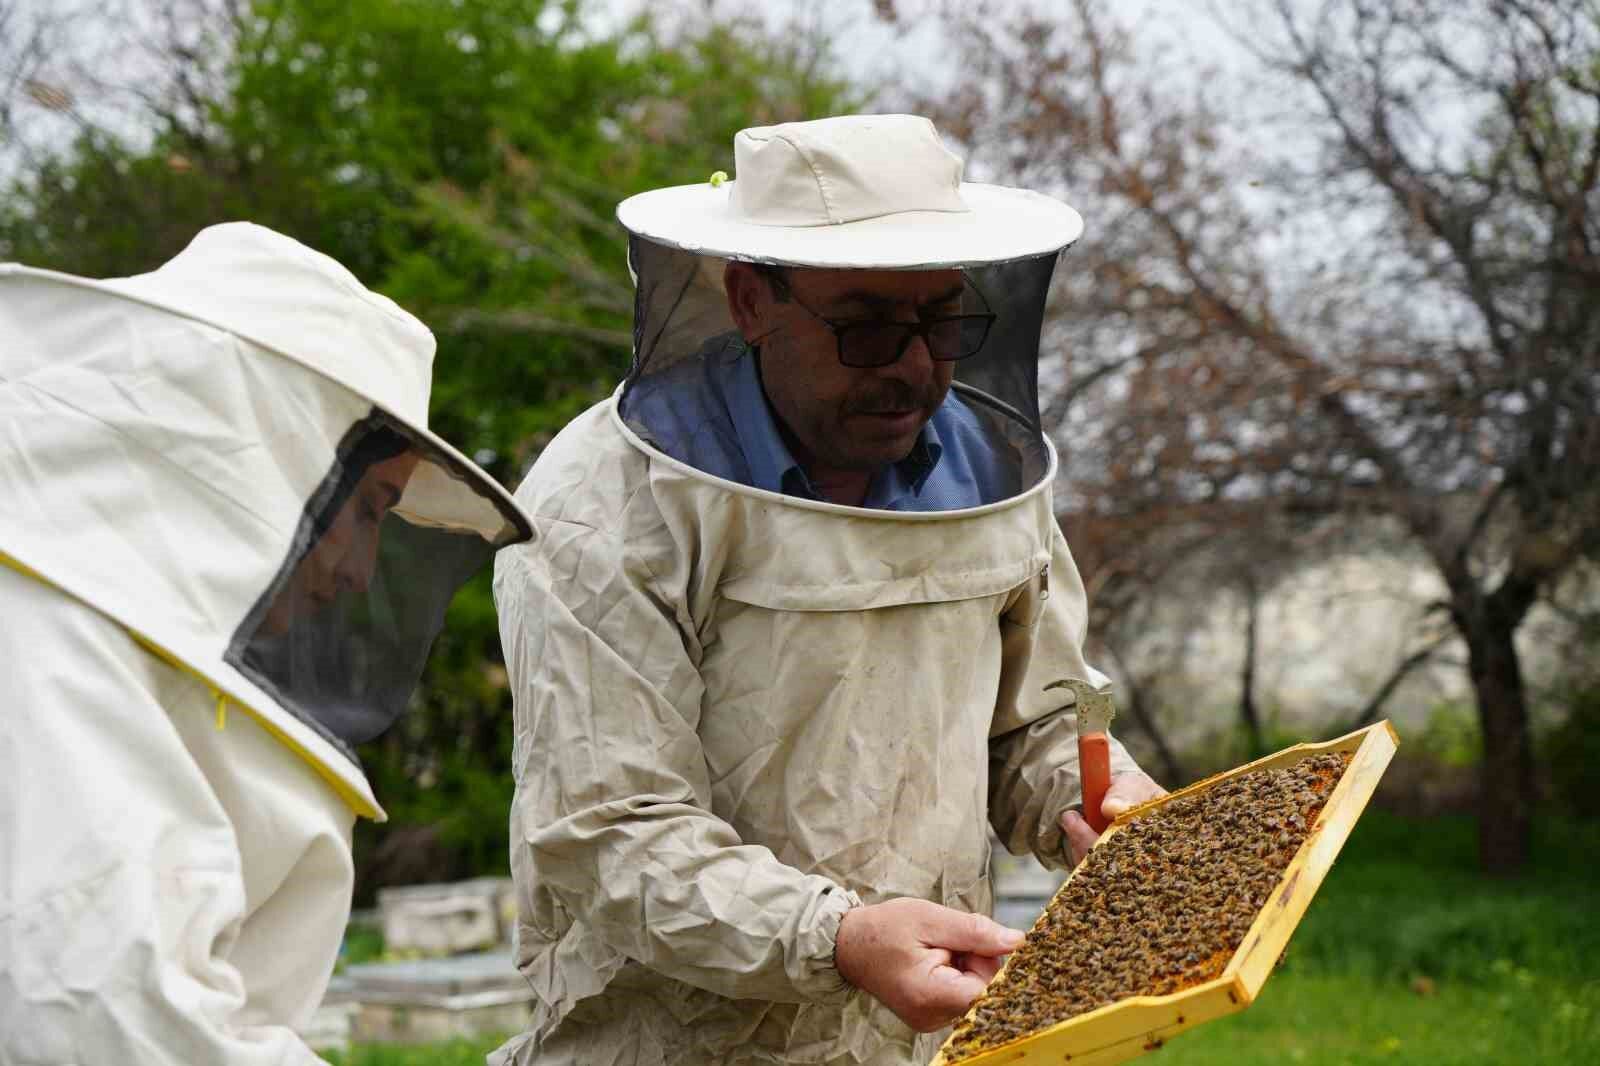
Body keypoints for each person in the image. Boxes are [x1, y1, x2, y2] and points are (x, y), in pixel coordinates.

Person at [491, 114, 1165, 1066]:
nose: (916, 367)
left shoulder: (985, 473)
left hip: (929, 1039)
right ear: (751, 300)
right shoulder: (606, 505)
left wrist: (1105, 796)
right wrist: (838, 939)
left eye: (941, 322)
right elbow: (610, 833)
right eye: (867, 328)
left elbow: (1048, 714)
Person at [0, 223, 534, 1063]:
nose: (362, 571)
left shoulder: (116, 633)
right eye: (363, 511)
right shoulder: (46, 641)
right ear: (256, 460)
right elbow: (106, 1014)